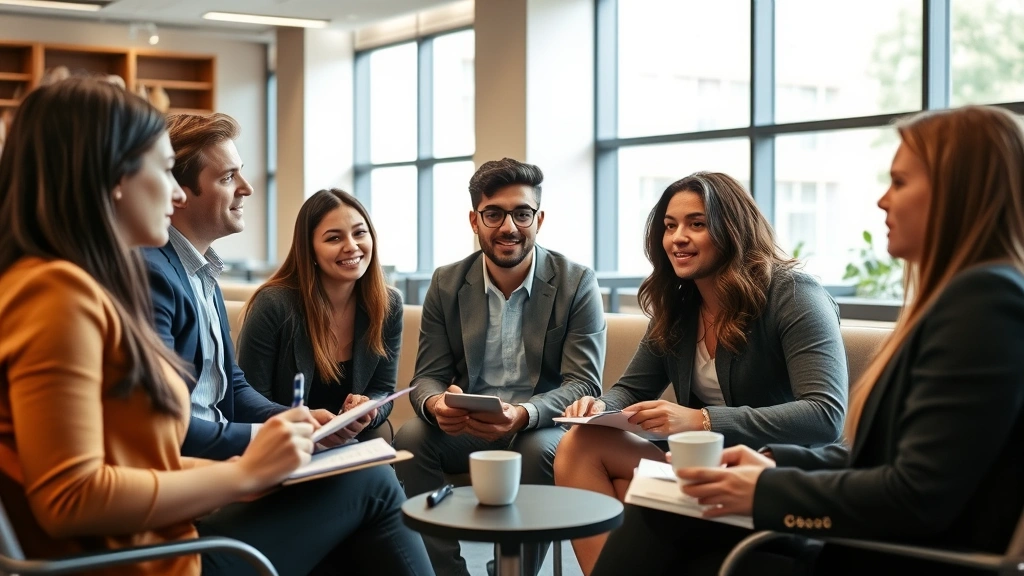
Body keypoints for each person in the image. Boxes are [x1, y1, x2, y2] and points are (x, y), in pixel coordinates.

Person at [593, 105, 1024, 576]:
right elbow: (888, 459)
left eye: (899, 182)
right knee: (670, 508)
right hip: (860, 528)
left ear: (957, 192)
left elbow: (918, 496)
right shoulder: (968, 299)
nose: (883, 200)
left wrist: (764, 490)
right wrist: (776, 464)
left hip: (893, 553)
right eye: (670, 226)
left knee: (669, 516)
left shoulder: (985, 304)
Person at [0, 77, 321, 575]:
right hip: (144, 561)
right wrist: (242, 474)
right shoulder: (55, 293)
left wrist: (253, 469)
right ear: (115, 177)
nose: (175, 194)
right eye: (166, 171)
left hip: (155, 542)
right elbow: (71, 497)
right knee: (368, 492)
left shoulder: (70, 284)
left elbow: (135, 460)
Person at [143, 111, 434, 575]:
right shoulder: (155, 275)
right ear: (179, 193)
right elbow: (166, 431)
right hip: (195, 506)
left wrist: (298, 423)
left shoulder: (202, 276)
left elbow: (232, 390)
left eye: (359, 234)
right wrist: (280, 437)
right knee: (374, 481)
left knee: (364, 470)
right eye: (227, 177)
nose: (247, 189)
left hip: (228, 475)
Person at [554, 171, 848, 575]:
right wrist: (597, 406)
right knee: (581, 443)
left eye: (697, 224)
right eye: (670, 226)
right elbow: (630, 388)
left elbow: (825, 415)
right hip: (698, 465)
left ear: (732, 229)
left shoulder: (794, 294)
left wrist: (700, 419)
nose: (678, 238)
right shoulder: (680, 305)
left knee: (631, 495)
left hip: (768, 475)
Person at [393, 157, 607, 576]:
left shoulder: (576, 281)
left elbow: (583, 382)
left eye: (522, 213)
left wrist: (522, 415)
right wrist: (436, 403)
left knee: (536, 448)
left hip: (538, 426)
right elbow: (427, 376)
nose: (509, 227)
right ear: (475, 220)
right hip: (468, 427)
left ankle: (510, 573)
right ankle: (446, 572)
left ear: (539, 219)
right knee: (412, 437)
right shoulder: (447, 282)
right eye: (494, 214)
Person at [237, 188, 402, 442]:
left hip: (353, 441)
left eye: (359, 233)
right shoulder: (273, 304)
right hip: (286, 442)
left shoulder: (388, 304)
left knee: (384, 476)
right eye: (334, 238)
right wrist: (304, 421)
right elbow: (248, 398)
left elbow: (383, 388)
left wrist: (368, 409)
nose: (352, 246)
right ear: (310, 250)